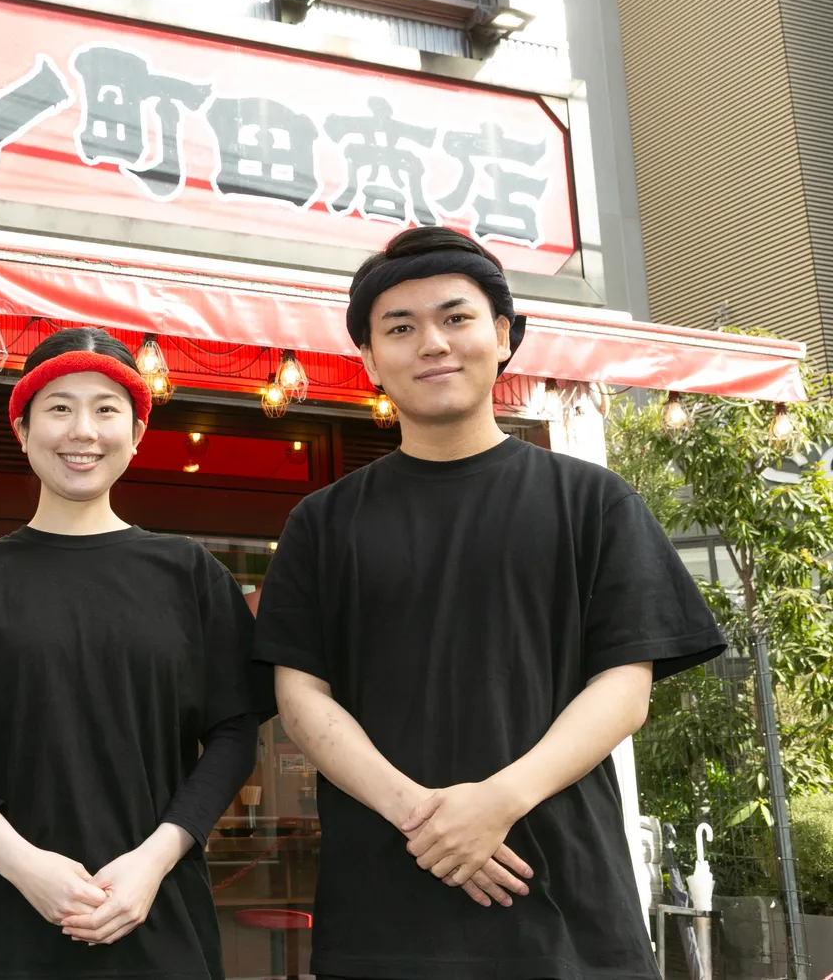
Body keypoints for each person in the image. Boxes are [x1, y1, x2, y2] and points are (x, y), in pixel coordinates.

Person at [253, 225, 726, 980]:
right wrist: (426, 819)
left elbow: (624, 689)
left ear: (503, 335)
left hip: (569, 916)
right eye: (400, 328)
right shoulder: (323, 522)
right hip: (386, 916)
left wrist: (498, 801)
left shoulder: (592, 502)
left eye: (456, 317)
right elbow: (300, 696)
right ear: (371, 360)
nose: (432, 343)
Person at [0, 327, 272, 980]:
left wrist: (154, 860)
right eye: (59, 406)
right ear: (21, 427)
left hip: (157, 913)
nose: (83, 430)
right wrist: (22, 863)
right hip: (4, 917)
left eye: (106, 408)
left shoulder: (189, 572)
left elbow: (235, 734)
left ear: (137, 433)